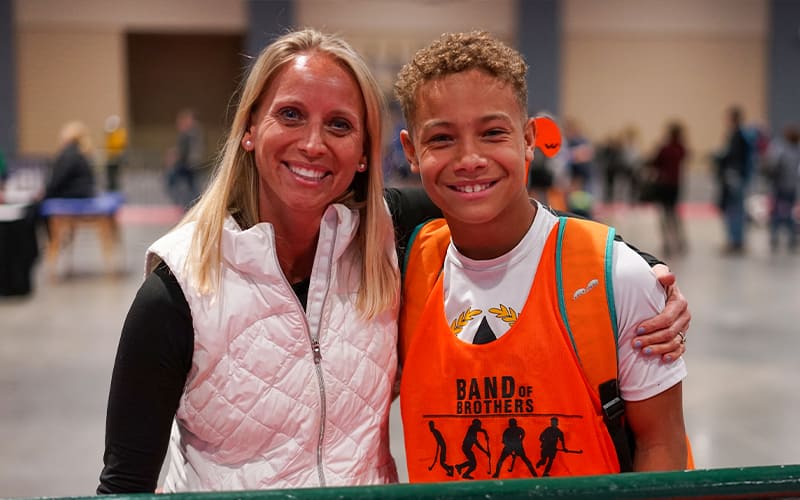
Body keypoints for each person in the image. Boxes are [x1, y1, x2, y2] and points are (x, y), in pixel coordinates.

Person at [98, 29, 689, 494]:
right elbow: (124, 485)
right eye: (290, 115)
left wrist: (637, 267)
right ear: (250, 128)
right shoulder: (179, 289)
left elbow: (505, 211)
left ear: (364, 152)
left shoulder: (382, 240)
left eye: (339, 125)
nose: (313, 144)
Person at [395, 31, 688, 482]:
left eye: (493, 133)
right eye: (442, 138)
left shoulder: (617, 276)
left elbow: (661, 444)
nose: (470, 158)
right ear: (411, 151)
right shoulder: (401, 274)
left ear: (529, 138)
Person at [714, 106, 753, 255]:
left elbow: (732, 157)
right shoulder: (742, 135)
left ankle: (735, 241)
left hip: (734, 176)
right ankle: (736, 240)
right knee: (736, 210)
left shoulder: (738, 136)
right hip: (738, 176)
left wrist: (719, 158)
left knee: (734, 210)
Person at [648, 121, 688, 257]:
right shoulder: (681, 149)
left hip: (663, 185)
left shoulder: (664, 149)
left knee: (664, 214)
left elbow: (654, 163)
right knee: (674, 213)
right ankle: (680, 241)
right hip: (676, 185)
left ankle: (667, 242)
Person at [761, 124, 800, 252]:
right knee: (789, 212)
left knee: (776, 212)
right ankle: (791, 238)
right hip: (792, 186)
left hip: (779, 186)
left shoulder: (781, 150)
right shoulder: (797, 151)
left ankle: (774, 237)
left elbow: (772, 166)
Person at [44, 121, 96, 200]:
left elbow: (56, 182)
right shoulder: (80, 152)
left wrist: (44, 196)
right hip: (84, 196)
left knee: (32, 206)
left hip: (70, 197)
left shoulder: (68, 154)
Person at [165, 108, 204, 208]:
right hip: (189, 164)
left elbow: (185, 151)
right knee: (192, 187)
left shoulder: (191, 133)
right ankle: (190, 204)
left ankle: (189, 204)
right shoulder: (190, 133)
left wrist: (174, 156)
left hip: (189, 165)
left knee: (176, 181)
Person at [103, 115, 128, 192]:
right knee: (110, 174)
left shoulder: (120, 133)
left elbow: (120, 144)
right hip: (110, 156)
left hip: (116, 156)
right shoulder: (111, 132)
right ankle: (111, 187)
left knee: (115, 174)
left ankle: (115, 188)